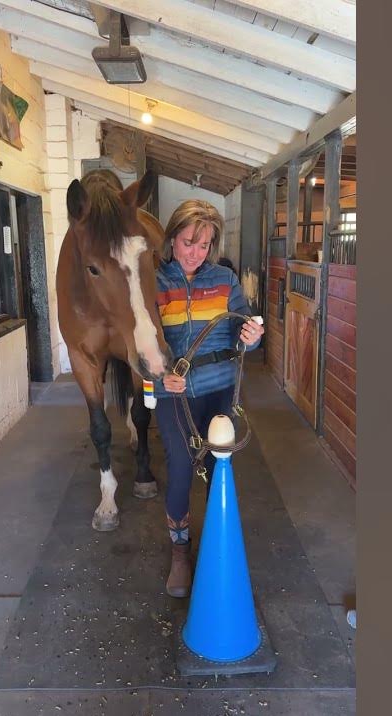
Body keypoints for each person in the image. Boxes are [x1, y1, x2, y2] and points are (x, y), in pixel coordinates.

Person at [152, 200, 264, 598]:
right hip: (174, 393)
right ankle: (180, 552)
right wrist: (160, 374)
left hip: (219, 387)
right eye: (187, 243)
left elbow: (241, 324)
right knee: (181, 469)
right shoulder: (154, 283)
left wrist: (250, 334)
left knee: (219, 470)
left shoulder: (224, 280)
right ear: (172, 238)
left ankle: (217, 547)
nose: (195, 253)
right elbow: (138, 345)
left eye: (203, 245)